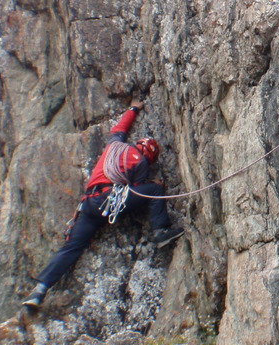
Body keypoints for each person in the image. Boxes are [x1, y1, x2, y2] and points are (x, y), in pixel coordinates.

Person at [22, 100, 184, 311]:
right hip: (109, 199)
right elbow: (136, 189)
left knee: (72, 247)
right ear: (150, 157)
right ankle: (161, 232)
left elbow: (119, 128)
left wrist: (133, 108)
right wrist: (154, 184)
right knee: (153, 190)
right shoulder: (141, 162)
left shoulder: (114, 145)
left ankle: (39, 290)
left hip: (89, 203)